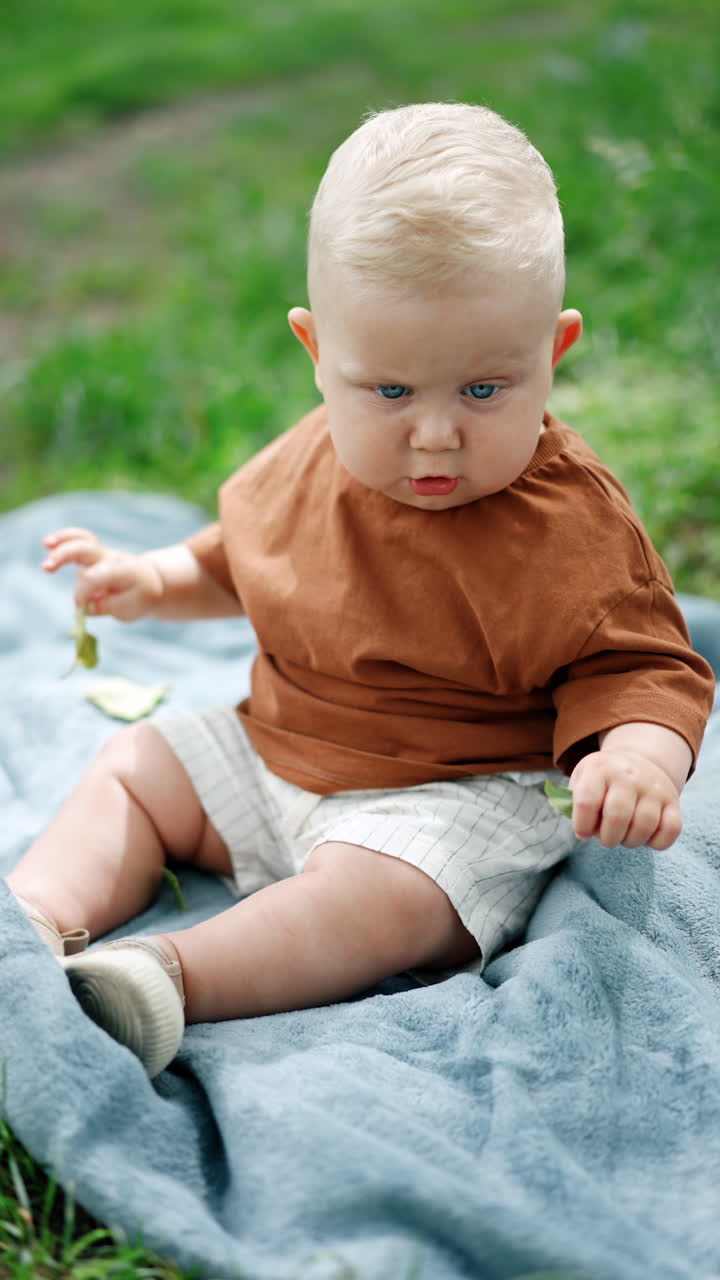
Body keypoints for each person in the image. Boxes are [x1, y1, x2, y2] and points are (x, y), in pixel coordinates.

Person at [7, 102, 714, 1078]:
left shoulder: (571, 525)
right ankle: (31, 925)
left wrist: (636, 757)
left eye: (482, 390)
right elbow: (242, 554)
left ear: (551, 353)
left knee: (382, 896)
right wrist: (156, 580)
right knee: (138, 762)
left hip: (448, 791)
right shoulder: (312, 458)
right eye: (388, 391)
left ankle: (163, 976)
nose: (433, 434)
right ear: (317, 354)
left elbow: (641, 663)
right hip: (276, 756)